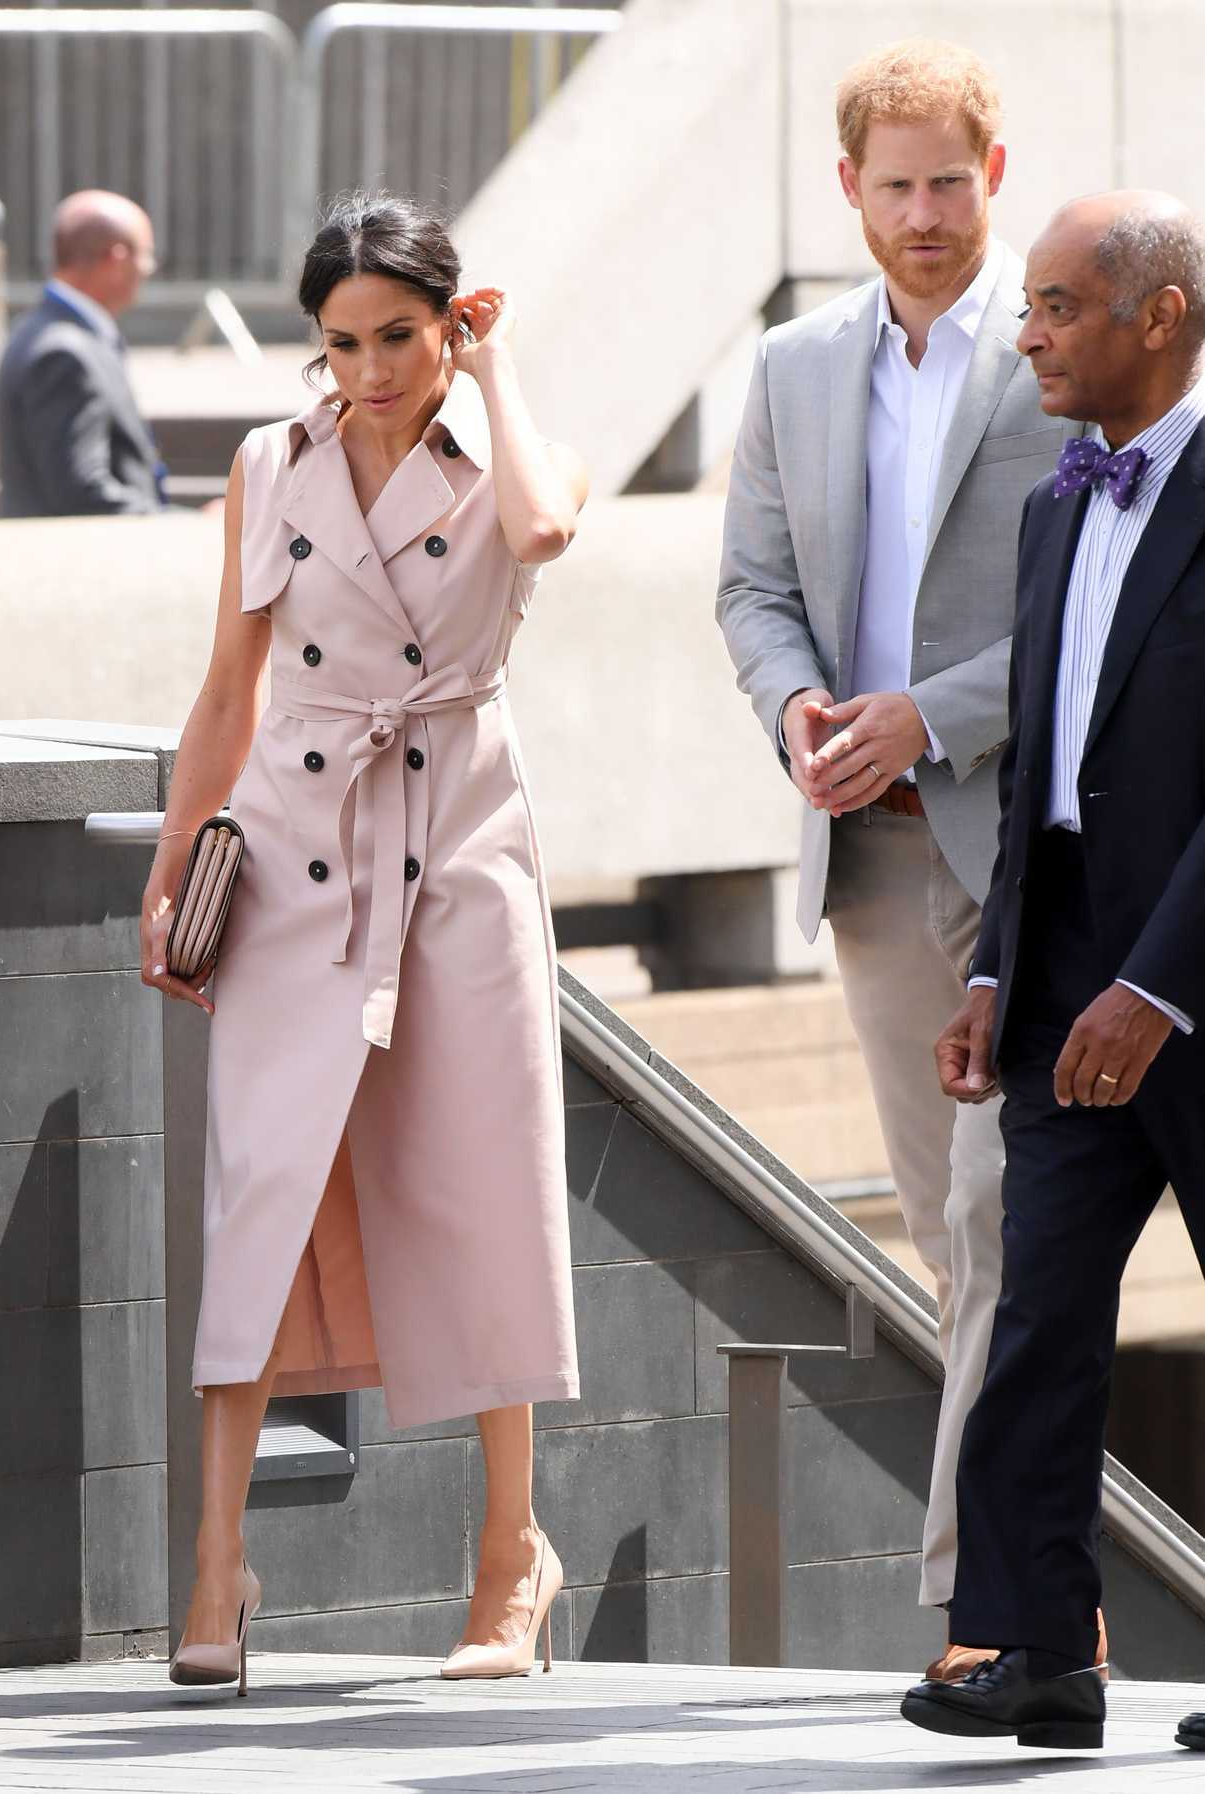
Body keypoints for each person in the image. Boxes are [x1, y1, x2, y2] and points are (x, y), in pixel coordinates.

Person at [141, 193, 587, 1694]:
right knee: (259, 1182)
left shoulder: (502, 451)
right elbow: (228, 685)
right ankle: (217, 1562)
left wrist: (501, 371)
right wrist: (170, 871)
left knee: (483, 1176)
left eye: (399, 336)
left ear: (451, 325)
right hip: (294, 851)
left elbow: (540, 528)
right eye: (341, 345)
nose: (369, 372)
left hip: (458, 840)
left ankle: (508, 1555)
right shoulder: (271, 464)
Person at [716, 40, 1078, 1672]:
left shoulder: (1058, 349)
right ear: (848, 187)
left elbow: (1101, 615)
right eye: (893, 181)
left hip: (1027, 846)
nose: (921, 211)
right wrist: (799, 703)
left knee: (1004, 1224)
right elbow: (750, 587)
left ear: (991, 180)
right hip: (865, 853)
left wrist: (923, 713)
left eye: (948, 181)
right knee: (947, 1233)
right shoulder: (792, 363)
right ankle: (1030, 1579)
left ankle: (978, 1597)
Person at [903, 191, 1205, 1753]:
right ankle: (1037, 1652)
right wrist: (995, 971)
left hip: (1189, 975)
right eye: (1026, 310)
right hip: (1061, 961)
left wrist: (1155, 987)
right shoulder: (1050, 507)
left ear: (1157, 317)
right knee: (1034, 1315)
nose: (1023, 336)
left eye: (1055, 307)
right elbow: (1038, 770)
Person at [0, 190, 167, 517]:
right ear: (117, 259)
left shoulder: (56, 332)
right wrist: (178, 522)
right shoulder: (63, 353)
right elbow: (80, 495)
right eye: (145, 255)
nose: (148, 268)